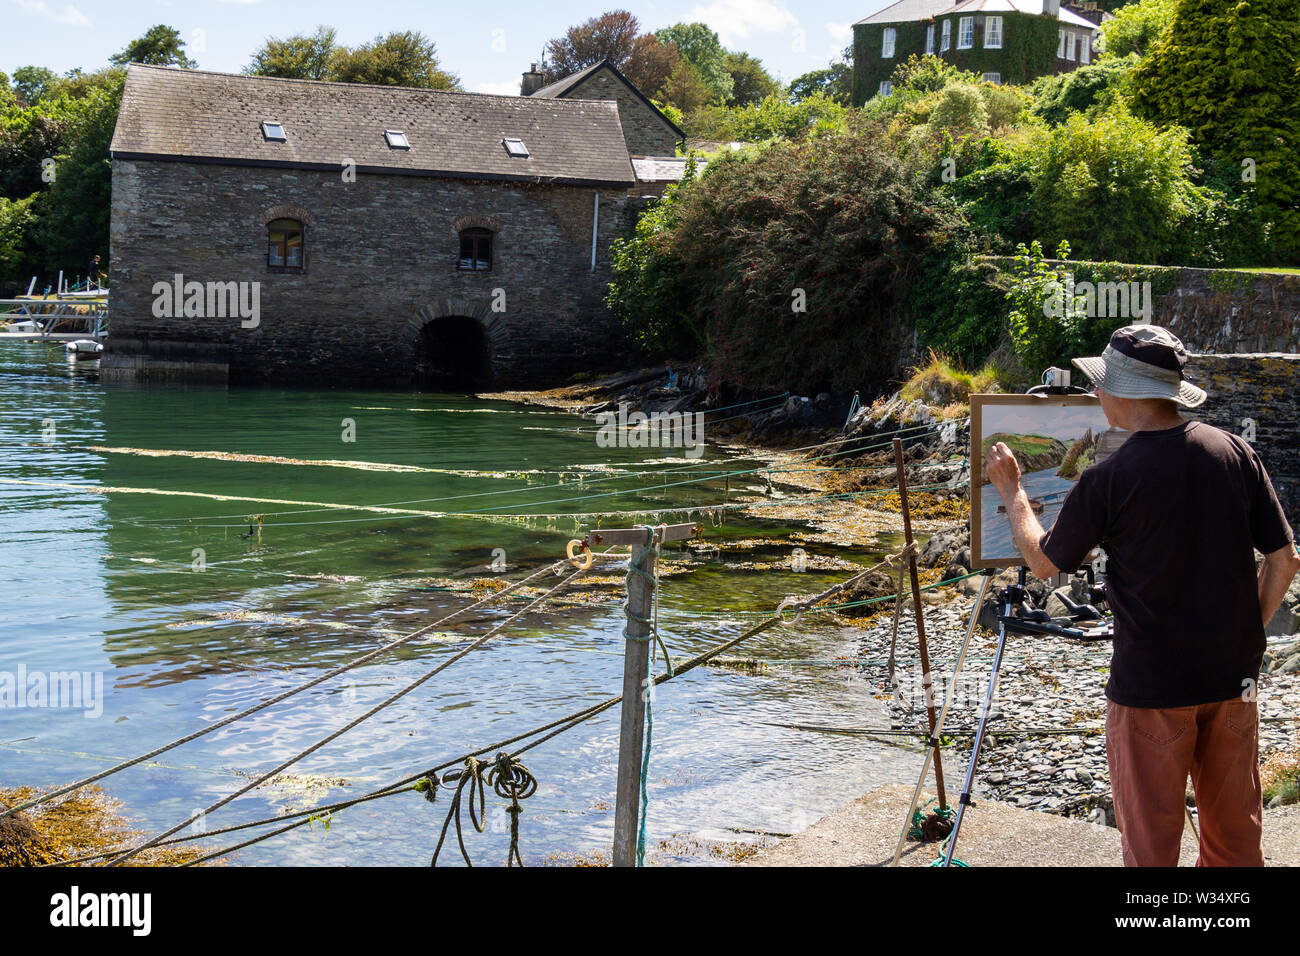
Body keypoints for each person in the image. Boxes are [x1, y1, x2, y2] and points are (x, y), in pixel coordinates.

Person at [985, 324, 1299, 867]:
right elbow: (1286, 559)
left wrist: (1013, 491)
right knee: (1235, 847)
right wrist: (1248, 634)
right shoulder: (1234, 451)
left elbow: (1045, 562)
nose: (1097, 394)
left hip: (1151, 686)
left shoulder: (1110, 478)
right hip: (1234, 680)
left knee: (1151, 856)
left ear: (1125, 392)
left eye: (1102, 384)